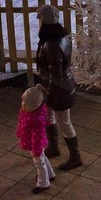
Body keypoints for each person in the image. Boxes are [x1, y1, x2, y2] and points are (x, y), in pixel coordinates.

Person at [35, 40, 83, 171]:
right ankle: (53, 146)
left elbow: (56, 72)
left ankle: (75, 157)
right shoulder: (55, 37)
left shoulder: (53, 43)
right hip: (52, 87)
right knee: (48, 115)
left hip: (58, 90)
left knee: (64, 122)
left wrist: (50, 92)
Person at [17, 83, 55, 194]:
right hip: (33, 142)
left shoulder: (36, 119)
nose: (22, 104)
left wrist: (36, 151)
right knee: (43, 158)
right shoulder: (31, 112)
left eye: (25, 103)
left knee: (39, 161)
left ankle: (43, 183)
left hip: (35, 145)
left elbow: (37, 137)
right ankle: (50, 174)